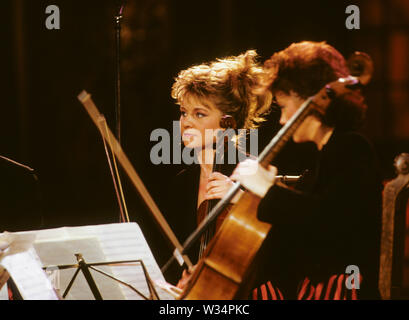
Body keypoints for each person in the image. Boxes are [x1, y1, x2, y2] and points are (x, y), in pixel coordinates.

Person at [231, 41, 382, 300]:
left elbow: (330, 222)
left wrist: (267, 189)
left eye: (285, 106)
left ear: (308, 99)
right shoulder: (324, 159)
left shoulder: (352, 148)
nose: (282, 120)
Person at [162, 50, 272, 287]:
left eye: (199, 114)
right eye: (183, 113)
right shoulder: (181, 183)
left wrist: (242, 201)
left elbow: (277, 251)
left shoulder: (252, 173)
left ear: (226, 122)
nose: (186, 122)